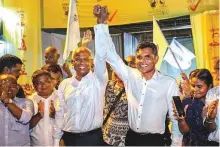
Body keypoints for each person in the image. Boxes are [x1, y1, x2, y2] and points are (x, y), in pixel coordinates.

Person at [93, 5, 182, 146]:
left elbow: (175, 117)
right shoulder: (130, 75)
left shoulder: (169, 83)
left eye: (147, 57)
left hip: (155, 141)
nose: (143, 61)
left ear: (156, 59)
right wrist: (101, 23)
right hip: (132, 139)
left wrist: (176, 144)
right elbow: (110, 54)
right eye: (139, 57)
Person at [53, 30, 108, 146]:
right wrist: (56, 140)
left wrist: (85, 46)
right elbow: (59, 113)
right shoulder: (64, 84)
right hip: (68, 138)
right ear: (72, 62)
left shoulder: (98, 82)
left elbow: (102, 59)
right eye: (77, 59)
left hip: (91, 139)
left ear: (92, 62)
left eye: (85, 59)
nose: (81, 62)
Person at [174, 69, 214, 146]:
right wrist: (181, 120)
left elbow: (213, 129)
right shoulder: (186, 102)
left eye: (199, 86)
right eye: (193, 85)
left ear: (209, 86)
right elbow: (185, 131)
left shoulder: (215, 103)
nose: (195, 89)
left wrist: (209, 117)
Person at [0, 74, 33, 146]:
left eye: (11, 86)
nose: (7, 89)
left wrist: (7, 102)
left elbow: (26, 118)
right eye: (3, 86)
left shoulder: (26, 102)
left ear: (17, 88)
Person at [29, 69, 58, 146]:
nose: (43, 85)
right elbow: (24, 127)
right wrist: (38, 116)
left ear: (52, 82)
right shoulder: (29, 101)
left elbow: (71, 123)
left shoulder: (62, 98)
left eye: (46, 81)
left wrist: (56, 116)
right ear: (34, 86)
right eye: (38, 83)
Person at [103, 71, 129, 146]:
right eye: (115, 69)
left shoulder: (132, 86)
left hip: (124, 136)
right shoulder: (109, 84)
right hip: (107, 134)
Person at [204, 59, 219, 145]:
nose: (217, 77)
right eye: (217, 71)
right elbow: (209, 129)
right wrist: (210, 118)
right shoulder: (212, 93)